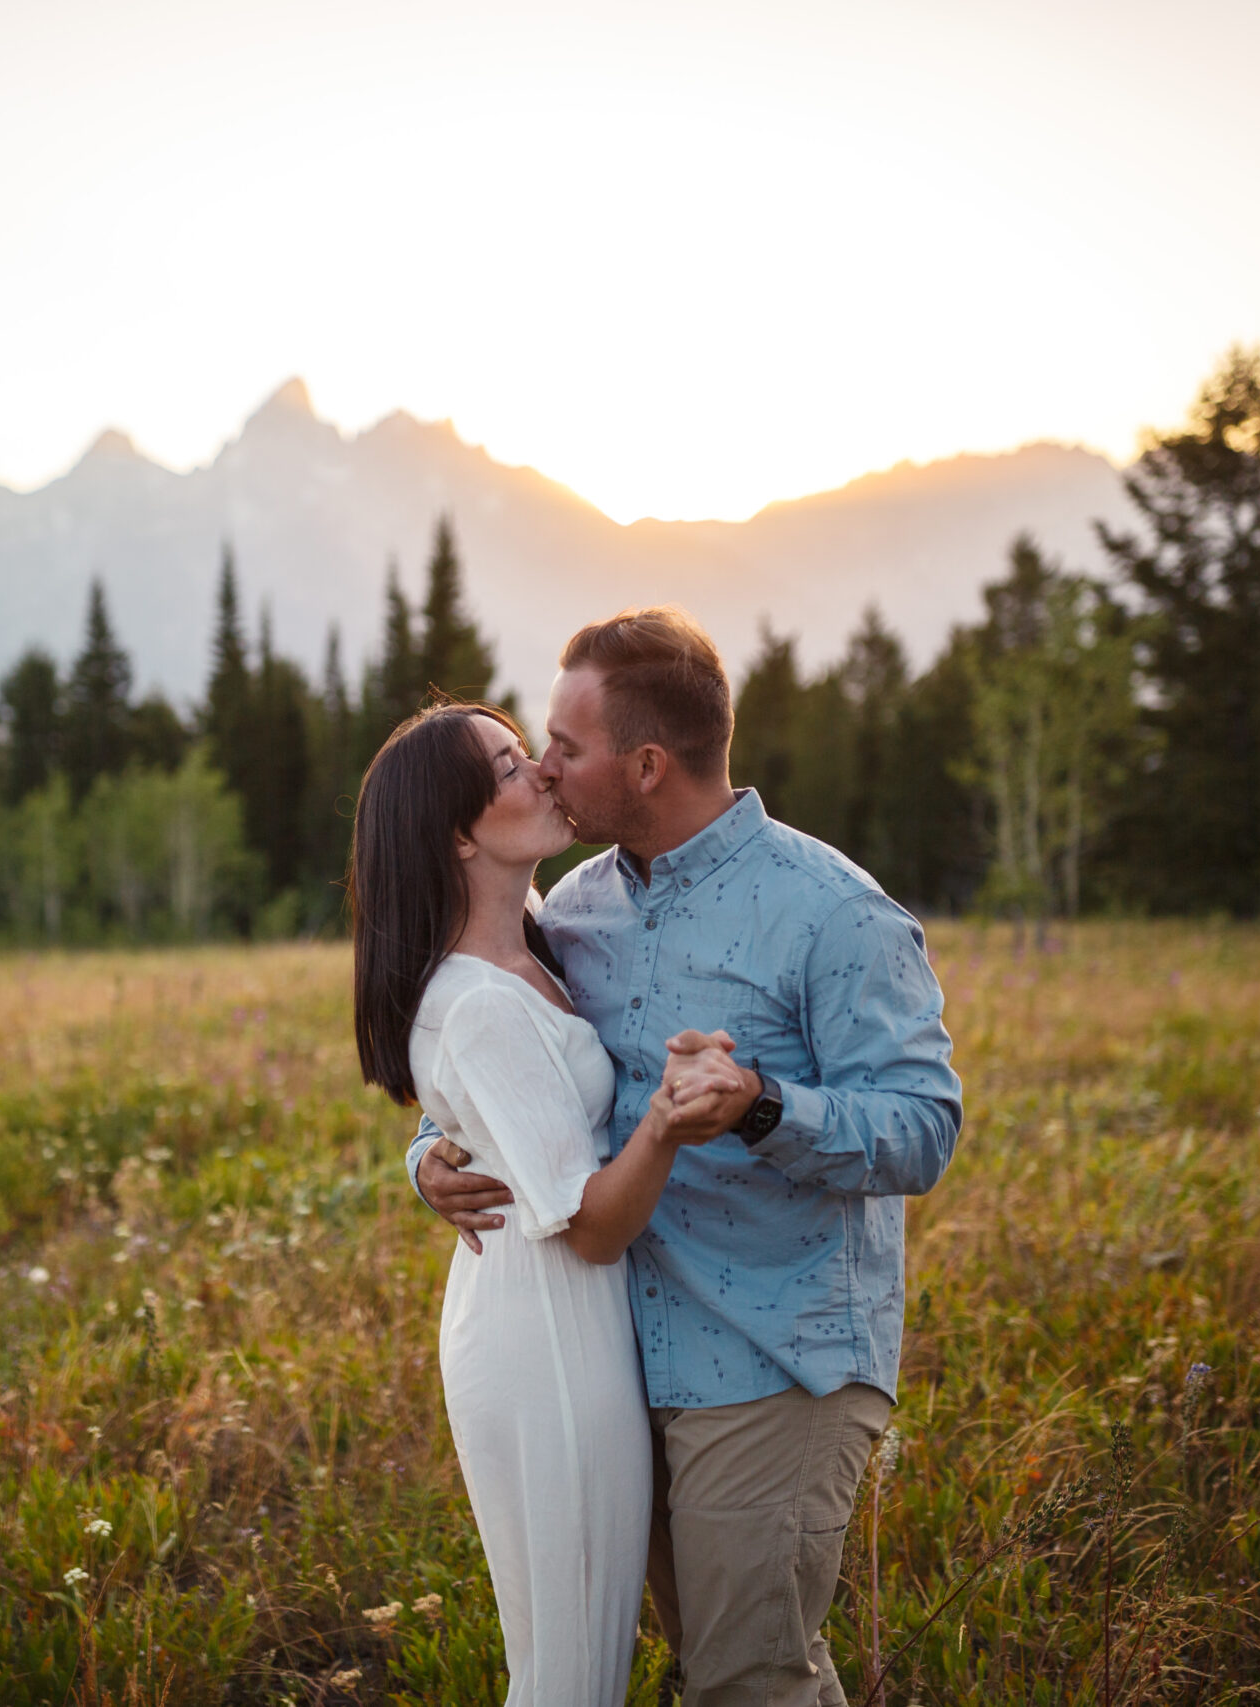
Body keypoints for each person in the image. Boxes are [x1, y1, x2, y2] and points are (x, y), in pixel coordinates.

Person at [408, 607, 963, 1707]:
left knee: (747, 1677)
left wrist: (763, 1106)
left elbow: (922, 1127)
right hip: (617, 1358)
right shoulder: (580, 904)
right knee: (731, 1668)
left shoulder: (833, 914)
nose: (546, 764)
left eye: (565, 747)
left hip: (773, 1358)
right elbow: (516, 1058)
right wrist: (428, 1150)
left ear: (647, 764)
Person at [351, 700, 749, 1707]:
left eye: (530, 754)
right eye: (508, 767)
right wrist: (667, 1117)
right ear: (454, 831)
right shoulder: (477, 1001)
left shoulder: (543, 942)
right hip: (547, 1342)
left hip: (572, 1328)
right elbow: (594, 1227)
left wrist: (426, 1155)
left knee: (583, 1656)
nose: (541, 776)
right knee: (571, 1672)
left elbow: (493, 1117)